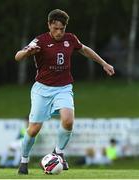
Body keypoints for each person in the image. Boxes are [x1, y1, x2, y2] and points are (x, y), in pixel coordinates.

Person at [15, 9, 115, 175]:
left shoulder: (71, 39)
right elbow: (17, 57)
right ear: (49, 26)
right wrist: (27, 52)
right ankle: (24, 161)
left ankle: (58, 151)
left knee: (68, 120)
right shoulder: (40, 40)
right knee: (33, 129)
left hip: (64, 87)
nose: (59, 32)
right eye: (56, 28)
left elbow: (84, 49)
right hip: (42, 89)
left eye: (62, 29)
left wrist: (104, 63)